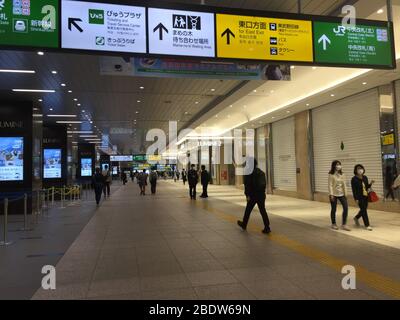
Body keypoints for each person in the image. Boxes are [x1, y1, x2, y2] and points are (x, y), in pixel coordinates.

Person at [238, 158, 271, 234]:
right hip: (260, 195)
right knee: (263, 211)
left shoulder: (247, 173)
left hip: (252, 195)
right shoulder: (261, 172)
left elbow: (247, 186)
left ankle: (244, 224)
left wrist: (247, 195)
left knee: (248, 210)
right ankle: (267, 227)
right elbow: (263, 185)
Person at [351, 164, 375, 231]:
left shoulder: (365, 177)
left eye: (361, 168)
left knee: (363, 209)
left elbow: (367, 187)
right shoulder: (354, 179)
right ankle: (367, 225)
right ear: (355, 170)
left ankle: (356, 217)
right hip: (359, 197)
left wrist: (370, 183)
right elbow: (354, 190)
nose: (360, 170)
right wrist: (356, 198)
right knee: (364, 210)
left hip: (365, 196)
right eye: (358, 169)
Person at [328, 160, 350, 231]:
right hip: (333, 194)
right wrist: (331, 194)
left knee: (346, 208)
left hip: (342, 194)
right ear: (334, 166)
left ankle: (344, 224)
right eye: (337, 164)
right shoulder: (331, 174)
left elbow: (344, 185)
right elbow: (330, 185)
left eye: (339, 164)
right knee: (334, 209)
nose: (338, 166)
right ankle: (333, 224)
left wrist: (346, 193)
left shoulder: (343, 174)